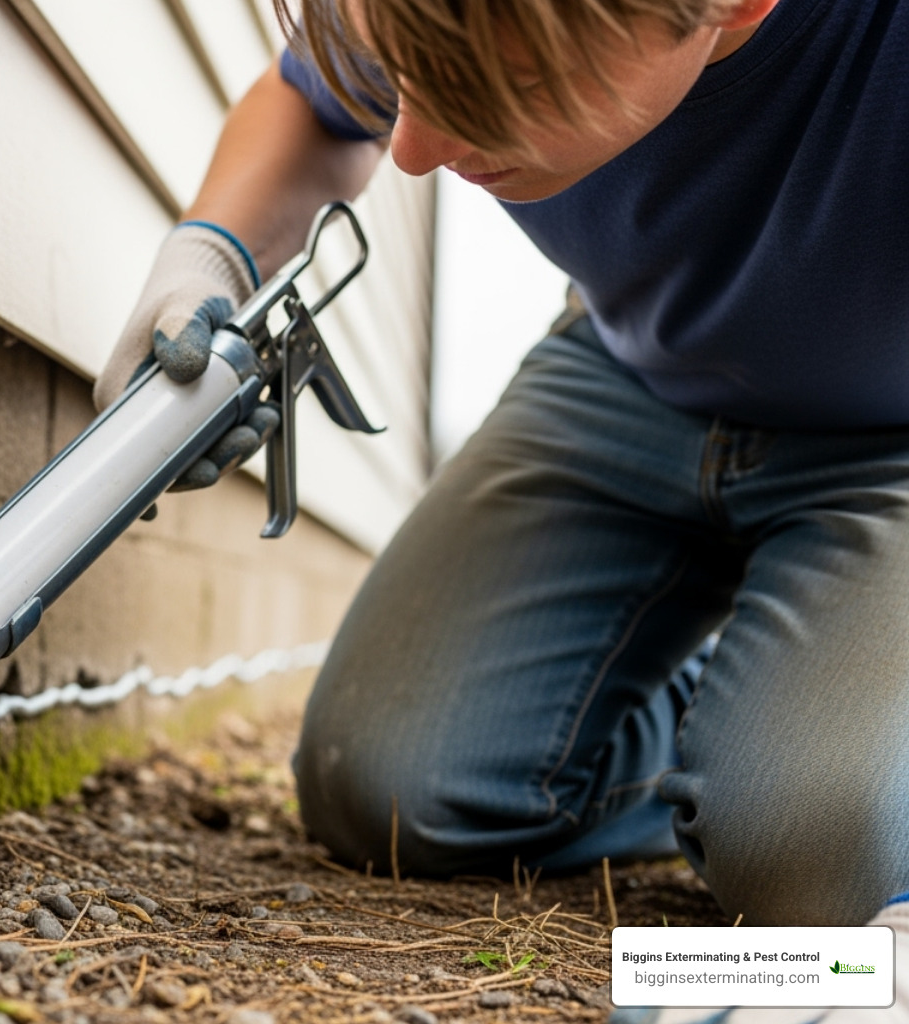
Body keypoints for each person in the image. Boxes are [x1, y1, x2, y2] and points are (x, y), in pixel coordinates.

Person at [95, 0, 909, 955]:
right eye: (405, 83)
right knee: (390, 789)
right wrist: (206, 267)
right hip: (627, 377)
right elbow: (314, 108)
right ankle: (754, 716)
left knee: (827, 864)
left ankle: (802, 754)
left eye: (506, 94)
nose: (413, 150)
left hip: (886, 440)